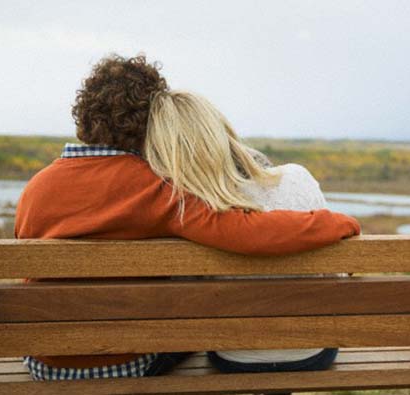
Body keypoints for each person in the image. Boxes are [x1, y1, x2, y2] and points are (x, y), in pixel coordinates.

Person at [15, 54, 360, 380]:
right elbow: (247, 232)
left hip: (47, 361)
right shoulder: (156, 188)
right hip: (127, 361)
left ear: (84, 117)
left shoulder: (35, 189)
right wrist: (335, 222)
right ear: (154, 124)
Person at [145, 90, 340, 373]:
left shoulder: (189, 209)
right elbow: (329, 273)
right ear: (220, 129)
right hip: (311, 351)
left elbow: (186, 300)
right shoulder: (299, 178)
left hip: (234, 356)